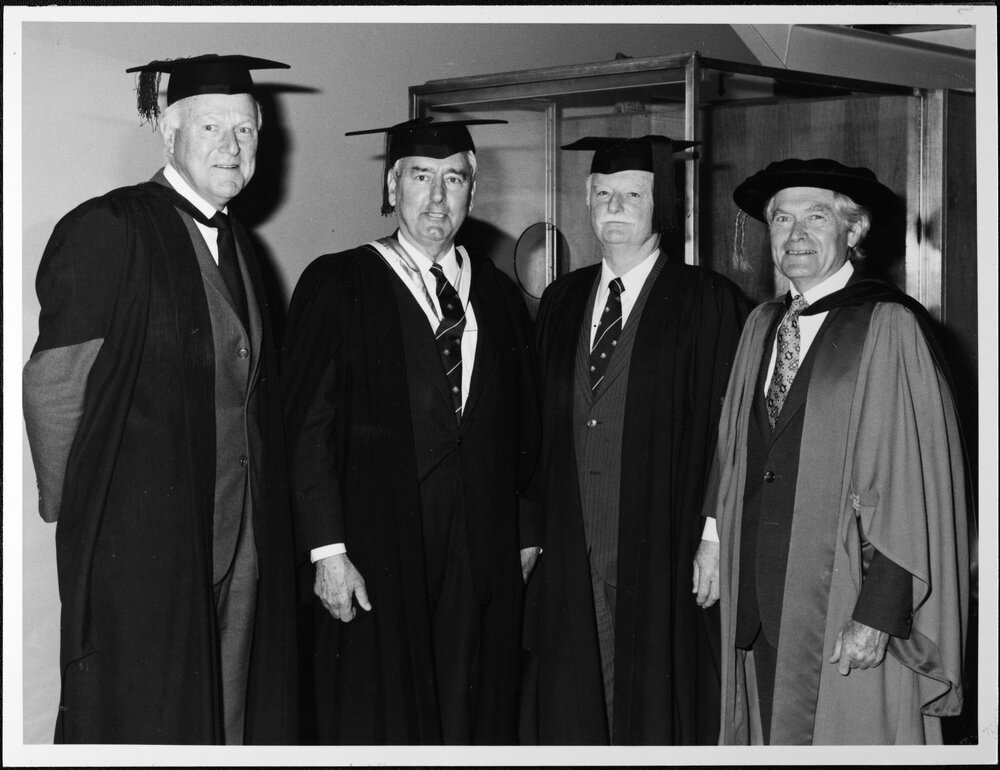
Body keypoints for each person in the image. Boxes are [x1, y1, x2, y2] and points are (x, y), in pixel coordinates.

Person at [22, 54, 297, 744]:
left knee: (226, 718)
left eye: (244, 129)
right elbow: (55, 386)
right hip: (146, 547)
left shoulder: (242, 246)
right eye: (210, 127)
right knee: (147, 724)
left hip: (239, 539)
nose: (230, 146)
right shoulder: (110, 228)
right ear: (168, 133)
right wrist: (91, 510)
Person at [281, 117, 542, 744]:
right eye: (421, 178)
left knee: (471, 709)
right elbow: (304, 428)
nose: (436, 198)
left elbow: (529, 429)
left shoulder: (503, 298)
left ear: (472, 193)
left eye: (453, 180)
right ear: (392, 185)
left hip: (479, 550)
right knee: (379, 715)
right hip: (376, 549)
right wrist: (327, 550)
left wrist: (526, 534)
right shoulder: (338, 282)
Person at [696, 158, 970, 744]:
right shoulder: (762, 325)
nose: (795, 235)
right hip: (759, 596)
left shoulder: (888, 327)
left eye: (816, 217)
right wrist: (714, 539)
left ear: (854, 230)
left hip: (843, 597)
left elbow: (909, 486)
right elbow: (734, 448)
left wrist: (878, 616)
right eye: (781, 219)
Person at [522, 135, 749, 744]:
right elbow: (534, 432)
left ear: (662, 208)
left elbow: (735, 434)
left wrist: (715, 536)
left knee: (655, 704)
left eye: (632, 194)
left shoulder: (710, 301)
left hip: (664, 540)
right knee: (576, 693)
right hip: (574, 541)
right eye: (602, 194)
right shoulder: (562, 299)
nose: (613, 208)